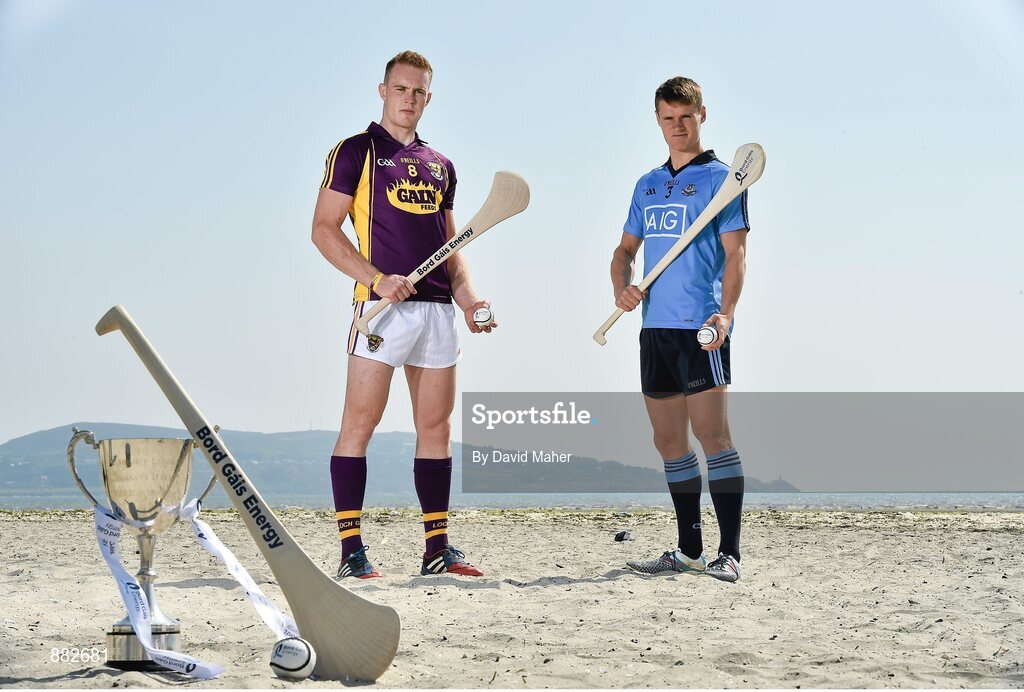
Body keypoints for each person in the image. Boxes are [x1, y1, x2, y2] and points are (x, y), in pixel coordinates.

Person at [311, 50, 493, 579]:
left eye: (419, 92)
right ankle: (351, 553)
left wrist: (472, 299)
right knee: (359, 424)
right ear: (383, 90)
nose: (409, 99)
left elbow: (451, 247)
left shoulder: (441, 165)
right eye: (401, 89)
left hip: (437, 312)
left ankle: (437, 550)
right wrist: (374, 278)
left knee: (435, 427)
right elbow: (323, 229)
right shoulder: (355, 151)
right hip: (381, 311)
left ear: (428, 98)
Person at [611, 76, 749, 583]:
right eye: (668, 118)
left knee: (714, 437)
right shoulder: (646, 184)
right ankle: (690, 550)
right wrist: (621, 288)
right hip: (655, 331)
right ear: (657, 120)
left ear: (702, 115)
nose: (677, 126)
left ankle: (728, 554)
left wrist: (727, 314)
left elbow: (736, 255)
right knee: (668, 442)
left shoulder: (722, 180)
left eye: (685, 117)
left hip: (700, 327)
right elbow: (624, 252)